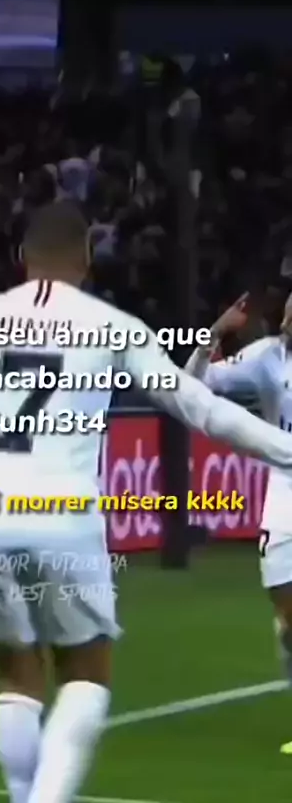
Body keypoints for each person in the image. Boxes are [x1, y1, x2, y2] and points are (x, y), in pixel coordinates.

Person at [0, 203, 292, 802]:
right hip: (62, 513)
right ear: (87, 259)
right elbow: (203, 408)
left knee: (14, 677)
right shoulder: (110, 325)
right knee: (86, 676)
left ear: (22, 259)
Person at [185, 290, 292, 755]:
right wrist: (214, 334)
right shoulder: (268, 358)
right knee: (287, 621)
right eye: (287, 313)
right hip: (285, 499)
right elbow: (193, 385)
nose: (286, 321)